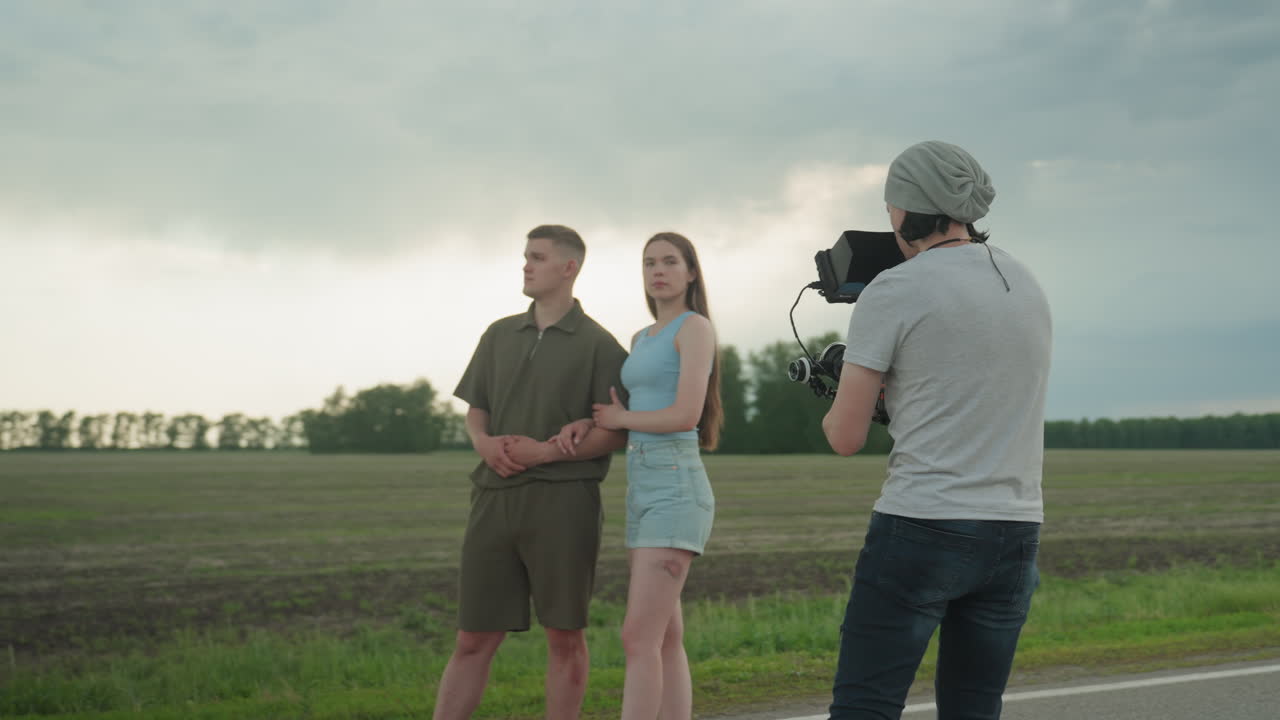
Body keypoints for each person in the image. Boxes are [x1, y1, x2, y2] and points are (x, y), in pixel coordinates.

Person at [820, 141, 1053, 719]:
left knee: (865, 706)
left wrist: (837, 387)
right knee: (974, 709)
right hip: (1016, 530)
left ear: (904, 212)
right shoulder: (1026, 283)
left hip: (922, 525)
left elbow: (845, 437)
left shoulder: (893, 289)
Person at [432, 224, 630, 720]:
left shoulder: (600, 345)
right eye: (525, 256)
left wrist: (545, 454)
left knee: (564, 635)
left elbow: (616, 431)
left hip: (564, 503)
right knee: (472, 636)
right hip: (493, 497)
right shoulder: (499, 334)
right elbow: (477, 411)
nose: (526, 265)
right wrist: (483, 444)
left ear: (569, 268)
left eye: (537, 257)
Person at [577, 231, 721, 720]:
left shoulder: (694, 327)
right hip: (641, 488)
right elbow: (635, 406)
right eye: (648, 263)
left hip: (676, 486)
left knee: (637, 637)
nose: (657, 271)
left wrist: (621, 421)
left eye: (669, 262)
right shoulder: (642, 338)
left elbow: (685, 415)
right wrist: (606, 418)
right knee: (663, 639)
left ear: (690, 272)